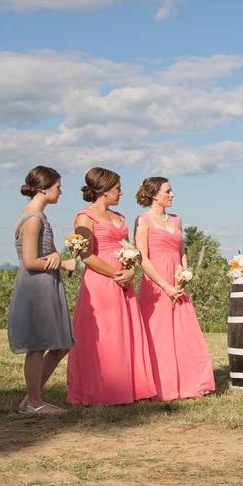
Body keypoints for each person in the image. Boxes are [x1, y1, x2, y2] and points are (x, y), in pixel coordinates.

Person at [66, 168, 157, 406]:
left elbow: (131, 250)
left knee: (125, 332)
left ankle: (130, 386)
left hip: (124, 282)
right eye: (117, 188)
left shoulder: (120, 218)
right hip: (100, 282)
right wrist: (116, 273)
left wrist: (130, 271)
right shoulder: (85, 217)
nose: (121, 192)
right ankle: (103, 389)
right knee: (106, 335)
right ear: (104, 191)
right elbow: (85, 256)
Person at [134, 177, 215, 401]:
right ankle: (160, 386)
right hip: (156, 283)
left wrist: (185, 274)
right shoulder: (144, 220)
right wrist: (165, 285)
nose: (172, 195)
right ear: (154, 195)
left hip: (178, 281)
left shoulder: (177, 220)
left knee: (184, 332)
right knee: (159, 335)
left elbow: (181, 251)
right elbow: (143, 259)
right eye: (168, 191)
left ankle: (191, 382)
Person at [7, 166, 77, 415]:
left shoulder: (40, 216)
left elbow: (45, 254)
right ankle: (35, 402)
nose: (60, 191)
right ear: (44, 188)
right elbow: (29, 261)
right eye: (58, 186)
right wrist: (61, 261)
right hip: (36, 286)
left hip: (47, 284)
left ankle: (31, 398)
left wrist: (59, 257)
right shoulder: (33, 218)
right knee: (38, 344)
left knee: (60, 344)